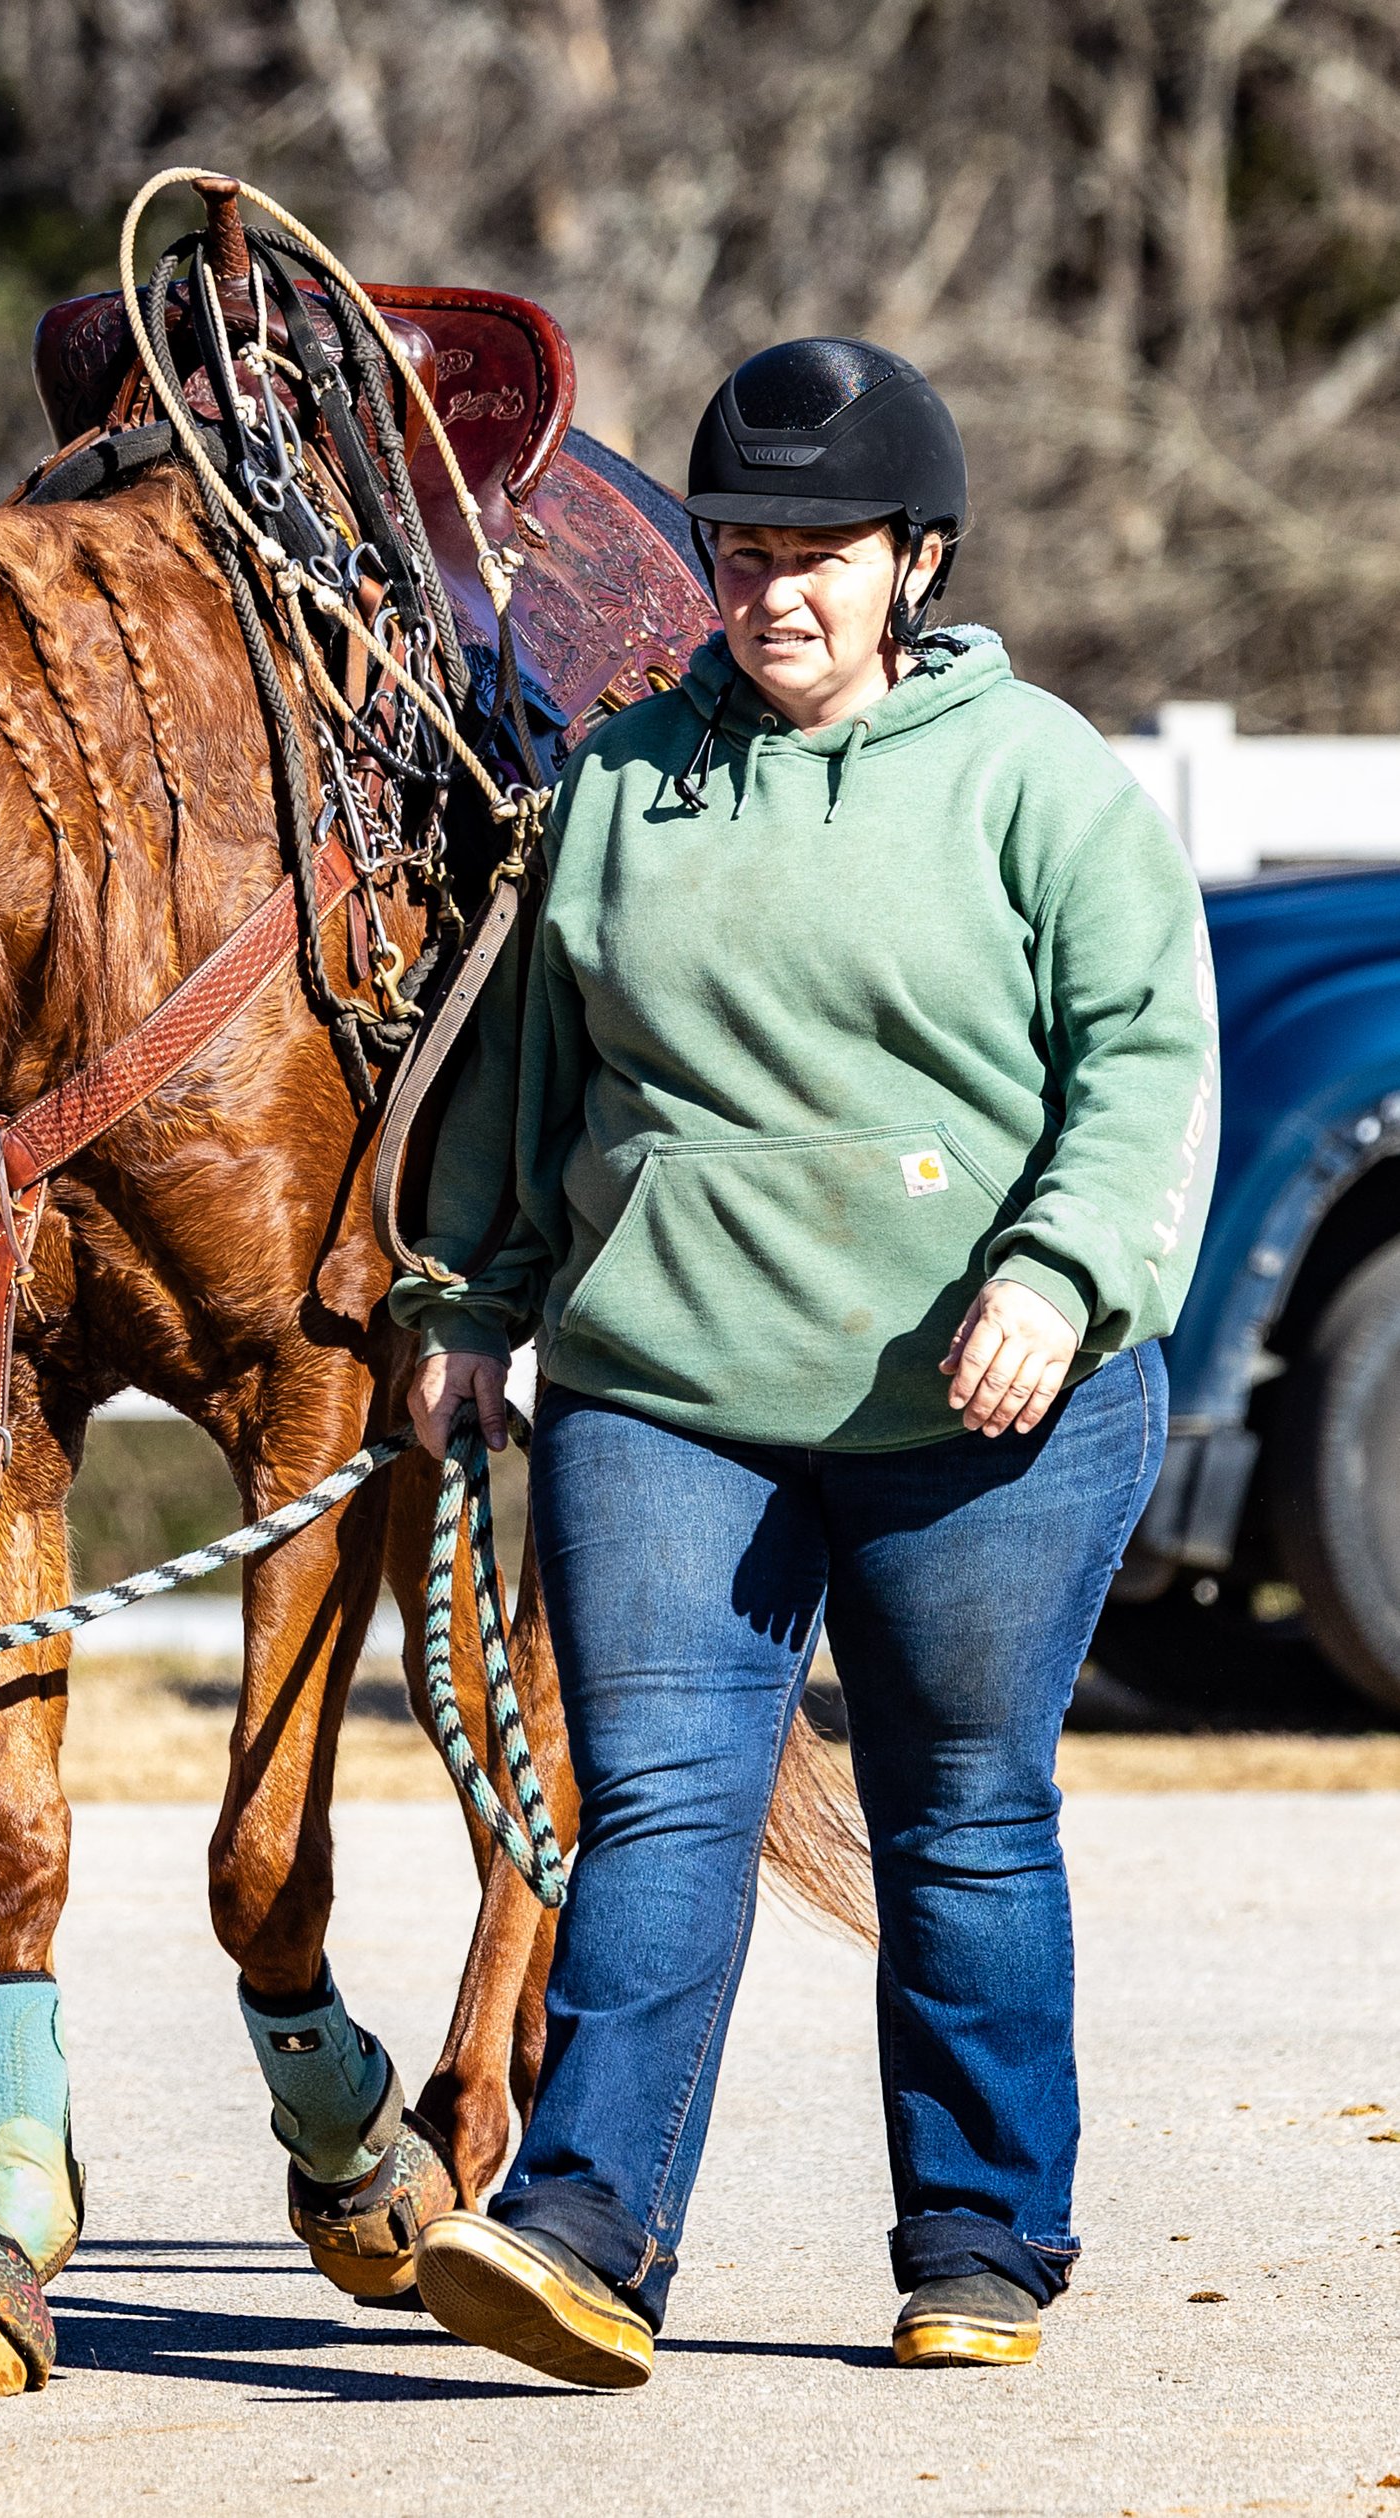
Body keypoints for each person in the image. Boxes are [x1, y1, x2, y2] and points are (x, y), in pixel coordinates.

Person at [393, 337, 1217, 2388]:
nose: (771, 588)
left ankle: (976, 2238)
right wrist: (472, 1308)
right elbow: (527, 1078)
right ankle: (582, 2223)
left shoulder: (1029, 776)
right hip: (664, 1381)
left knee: (956, 1811)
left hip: (978, 1397)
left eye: (818, 552)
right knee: (658, 1801)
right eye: (739, 547)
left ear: (912, 557)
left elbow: (1141, 1060)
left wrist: (1054, 1270)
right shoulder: (614, 782)